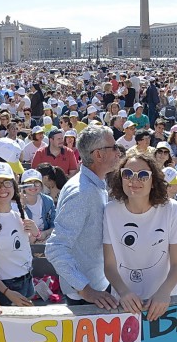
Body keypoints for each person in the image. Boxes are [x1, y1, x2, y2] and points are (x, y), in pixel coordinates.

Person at [103, 153, 177, 321]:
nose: (134, 180)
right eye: (127, 174)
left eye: (143, 175)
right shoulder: (109, 211)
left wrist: (163, 293)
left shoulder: (172, 209)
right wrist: (124, 292)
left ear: (153, 181)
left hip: (164, 303)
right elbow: (109, 266)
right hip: (125, 303)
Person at [45, 125, 120, 308]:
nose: (119, 152)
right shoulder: (82, 192)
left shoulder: (93, 185)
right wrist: (86, 290)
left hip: (97, 285)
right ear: (98, 154)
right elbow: (55, 248)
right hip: (86, 297)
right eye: (114, 147)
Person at [0, 162, 37, 306]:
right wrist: (7, 292)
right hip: (8, 287)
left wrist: (35, 233)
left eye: (6, 183)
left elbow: (21, 245)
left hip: (27, 278)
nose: (2, 188)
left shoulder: (17, 212)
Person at [19, 169, 56, 242]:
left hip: (45, 240)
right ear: (23, 186)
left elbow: (55, 226)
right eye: (29, 183)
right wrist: (21, 206)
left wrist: (45, 233)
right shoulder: (16, 203)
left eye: (36, 183)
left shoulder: (48, 201)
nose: (33, 186)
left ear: (41, 186)